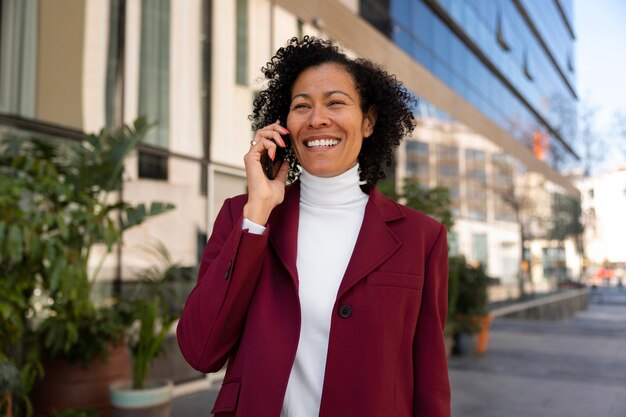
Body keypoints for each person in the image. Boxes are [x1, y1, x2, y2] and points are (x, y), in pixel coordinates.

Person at [177, 36, 450, 417]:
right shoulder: (243, 217)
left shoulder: (422, 237)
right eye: (301, 106)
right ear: (283, 124)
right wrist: (257, 216)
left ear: (368, 121)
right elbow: (200, 351)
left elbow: (430, 379)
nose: (317, 118)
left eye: (336, 102)